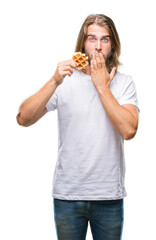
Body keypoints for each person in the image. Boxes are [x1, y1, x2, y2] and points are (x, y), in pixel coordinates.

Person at [17, 14, 139, 240]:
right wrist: (54, 81)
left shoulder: (124, 83)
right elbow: (23, 118)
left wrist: (102, 87)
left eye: (105, 39)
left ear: (113, 44)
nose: (98, 46)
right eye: (92, 39)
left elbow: (129, 130)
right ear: (83, 43)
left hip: (109, 197)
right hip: (68, 196)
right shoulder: (65, 82)